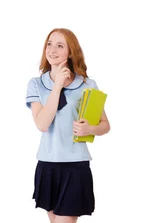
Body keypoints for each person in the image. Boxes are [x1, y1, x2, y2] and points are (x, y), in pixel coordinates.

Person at [26, 28, 111, 223]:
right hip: (47, 165)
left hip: (75, 166)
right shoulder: (36, 84)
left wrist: (90, 129)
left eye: (60, 45)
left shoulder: (87, 84)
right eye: (49, 44)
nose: (52, 50)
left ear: (70, 52)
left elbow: (105, 125)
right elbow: (42, 123)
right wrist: (57, 86)